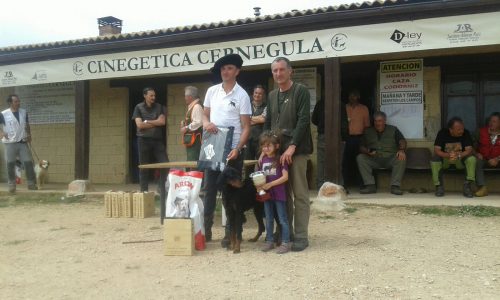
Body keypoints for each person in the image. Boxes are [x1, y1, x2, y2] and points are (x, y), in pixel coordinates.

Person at [264, 57, 313, 252]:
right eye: (275, 70)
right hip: (277, 152)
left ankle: (301, 236)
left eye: (282, 70)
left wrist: (292, 145)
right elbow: (268, 125)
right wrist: (264, 149)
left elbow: (303, 121)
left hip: (297, 151)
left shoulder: (300, 91)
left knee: (300, 194)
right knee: (283, 195)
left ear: (290, 71)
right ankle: (287, 233)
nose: (278, 74)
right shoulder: (272, 95)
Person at [202, 53, 251, 243]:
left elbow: (247, 127)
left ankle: (229, 234)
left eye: (229, 68)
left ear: (237, 71)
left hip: (233, 150)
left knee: (231, 193)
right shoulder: (211, 91)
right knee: (209, 190)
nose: (225, 71)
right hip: (213, 147)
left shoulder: (242, 95)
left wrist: (238, 148)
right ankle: (206, 231)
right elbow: (205, 116)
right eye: (223, 69)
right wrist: (206, 124)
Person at [356, 111, 406, 195]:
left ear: (384, 121)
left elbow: (402, 141)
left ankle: (395, 187)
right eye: (375, 121)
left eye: (380, 121)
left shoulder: (393, 129)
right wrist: (367, 151)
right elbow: (361, 147)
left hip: (390, 158)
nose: (377, 123)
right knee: (360, 157)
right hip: (374, 159)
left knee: (401, 158)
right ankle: (370, 186)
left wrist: (401, 150)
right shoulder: (368, 131)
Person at [257, 131, 290, 254]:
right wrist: (259, 187)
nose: (266, 148)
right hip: (266, 195)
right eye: (263, 146)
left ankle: (286, 242)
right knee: (269, 218)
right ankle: (269, 241)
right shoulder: (262, 160)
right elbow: (260, 176)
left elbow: (285, 177)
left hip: (279, 193)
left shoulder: (281, 159)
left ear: (276, 146)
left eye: (269, 146)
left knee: (282, 218)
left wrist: (270, 184)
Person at [131, 87, 168, 192]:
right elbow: (139, 125)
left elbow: (162, 122)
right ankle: (144, 191)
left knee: (165, 164)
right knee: (144, 166)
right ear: (145, 96)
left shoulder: (159, 106)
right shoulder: (138, 107)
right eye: (151, 95)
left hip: (157, 140)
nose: (153, 97)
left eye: (154, 95)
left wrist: (147, 121)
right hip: (143, 140)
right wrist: (154, 122)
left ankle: (161, 188)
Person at [0, 94, 37, 193]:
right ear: (10, 103)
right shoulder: (3, 114)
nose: (18, 103)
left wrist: (29, 134)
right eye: (16, 101)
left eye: (18, 101)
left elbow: (27, 124)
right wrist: (1, 132)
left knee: (28, 162)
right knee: (10, 164)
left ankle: (31, 183)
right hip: (10, 143)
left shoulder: (24, 112)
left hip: (22, 141)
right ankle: (12, 185)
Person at [431, 117, 476, 198]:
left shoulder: (466, 133)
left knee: (471, 159)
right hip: (446, 160)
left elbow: (469, 150)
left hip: (460, 160)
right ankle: (439, 186)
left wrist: (458, 155)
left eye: (462, 128)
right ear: (451, 130)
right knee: (435, 159)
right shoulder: (442, 133)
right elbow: (437, 150)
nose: (461, 131)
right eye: (458, 129)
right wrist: (448, 155)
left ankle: (467, 187)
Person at [311, 98, 348, 189]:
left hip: (323, 135)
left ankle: (320, 186)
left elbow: (314, 119)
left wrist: (321, 124)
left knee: (321, 161)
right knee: (338, 161)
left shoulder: (320, 103)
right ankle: (339, 185)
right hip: (337, 135)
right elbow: (344, 122)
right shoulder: (340, 104)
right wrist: (344, 137)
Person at [343, 90, 370, 187]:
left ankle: (361, 184)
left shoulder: (364, 108)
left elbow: (367, 126)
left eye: (354, 96)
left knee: (360, 161)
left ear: (358, 97)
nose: (352, 98)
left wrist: (366, 140)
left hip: (360, 138)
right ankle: (344, 184)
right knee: (345, 162)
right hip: (347, 138)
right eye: (350, 95)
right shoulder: (344, 108)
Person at [474, 112, 500, 197]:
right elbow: (471, 146)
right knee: (477, 161)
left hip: (498, 159)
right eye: (490, 121)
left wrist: (497, 159)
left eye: (494, 121)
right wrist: (476, 153)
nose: (491, 123)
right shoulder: (480, 131)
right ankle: (482, 188)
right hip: (484, 158)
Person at [180, 86, 203, 161]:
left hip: (196, 141)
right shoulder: (193, 106)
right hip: (192, 141)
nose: (185, 98)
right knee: (191, 161)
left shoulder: (196, 106)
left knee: (193, 161)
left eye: (185, 96)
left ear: (190, 97)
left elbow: (198, 122)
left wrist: (186, 128)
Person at [246, 85, 267, 160]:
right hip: (247, 139)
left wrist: (249, 119)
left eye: (260, 93)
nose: (257, 95)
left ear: (263, 95)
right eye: (256, 93)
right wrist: (258, 118)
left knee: (261, 162)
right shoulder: (246, 105)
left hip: (260, 140)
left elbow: (263, 119)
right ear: (253, 93)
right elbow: (242, 119)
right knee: (248, 164)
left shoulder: (267, 106)